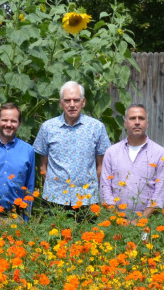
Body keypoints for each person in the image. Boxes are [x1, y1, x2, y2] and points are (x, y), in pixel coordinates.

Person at [33, 81, 111, 210]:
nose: (72, 105)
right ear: (61, 103)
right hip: (54, 198)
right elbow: (43, 165)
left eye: (76, 100)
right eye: (67, 100)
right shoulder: (48, 127)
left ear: (83, 102)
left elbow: (101, 166)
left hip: (86, 199)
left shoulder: (96, 127)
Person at [100, 104, 164, 222]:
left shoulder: (160, 153)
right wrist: (118, 219)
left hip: (150, 222)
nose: (137, 122)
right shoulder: (112, 152)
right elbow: (105, 187)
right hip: (116, 222)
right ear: (125, 123)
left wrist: (141, 220)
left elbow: (162, 191)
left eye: (141, 118)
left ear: (147, 123)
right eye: (132, 118)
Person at [0, 103, 35, 221]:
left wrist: (26, 219)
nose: (9, 124)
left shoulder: (28, 150)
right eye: (4, 120)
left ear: (19, 124)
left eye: (13, 121)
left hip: (16, 217)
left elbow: (29, 188)